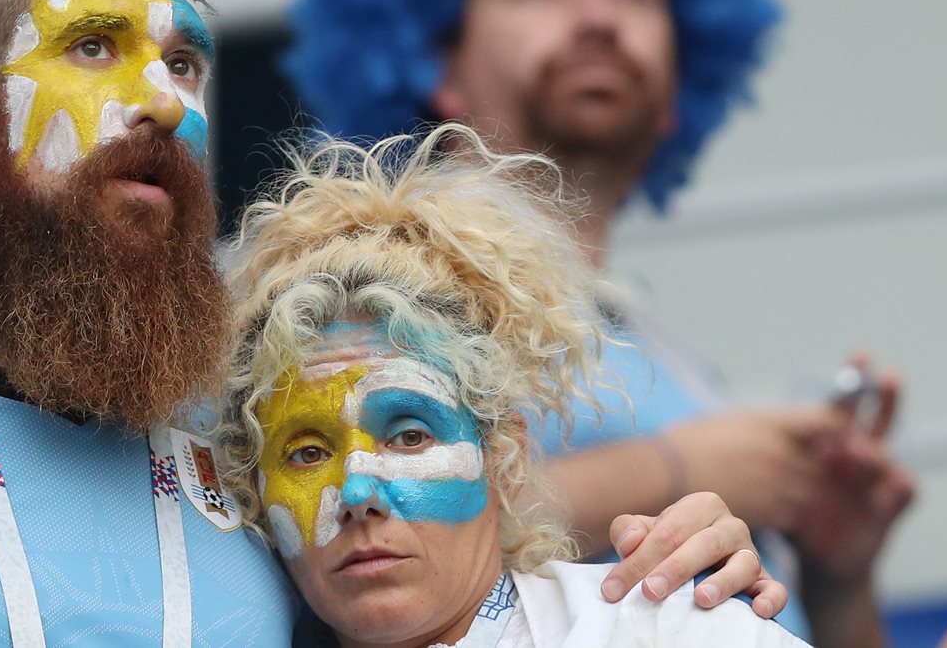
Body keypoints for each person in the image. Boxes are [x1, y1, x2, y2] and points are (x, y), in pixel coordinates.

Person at [0, 0, 786, 646]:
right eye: (94, 46)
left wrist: (690, 582)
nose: (162, 100)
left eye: (184, 63)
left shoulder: (262, 445)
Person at [285, 0, 915, 643]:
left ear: (677, 97)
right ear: (434, 62)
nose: (598, 17)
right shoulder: (360, 287)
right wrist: (682, 469)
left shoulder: (670, 353)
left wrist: (834, 572)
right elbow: (349, 514)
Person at [218, 124, 808, 646]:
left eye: (410, 435)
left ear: (504, 457)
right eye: (308, 452)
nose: (357, 492)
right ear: (257, 499)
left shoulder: (662, 631)